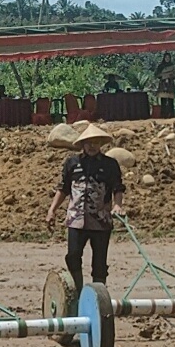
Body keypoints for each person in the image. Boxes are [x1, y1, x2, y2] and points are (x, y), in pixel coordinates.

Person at [46, 123, 125, 294]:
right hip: (76, 220)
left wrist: (118, 205)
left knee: (100, 263)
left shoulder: (110, 164)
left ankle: (98, 297)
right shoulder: (72, 163)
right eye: (88, 142)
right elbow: (64, 188)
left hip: (101, 221)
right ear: (82, 144)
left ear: (100, 144)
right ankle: (77, 293)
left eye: (95, 142)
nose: (92, 146)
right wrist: (52, 210)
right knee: (73, 256)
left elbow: (118, 188)